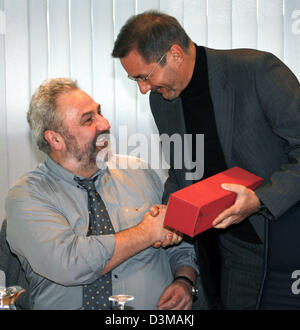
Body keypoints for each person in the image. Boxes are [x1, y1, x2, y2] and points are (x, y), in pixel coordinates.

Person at [112, 10, 300, 309]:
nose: (143, 88)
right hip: (222, 250)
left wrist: (260, 199)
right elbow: (181, 171)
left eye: (144, 76)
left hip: (283, 238)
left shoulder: (256, 70)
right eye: (134, 79)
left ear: (174, 54)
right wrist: (169, 214)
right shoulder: (162, 101)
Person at [5, 78, 198, 310]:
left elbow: (181, 244)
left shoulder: (140, 172)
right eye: (88, 120)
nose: (105, 123)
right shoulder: (26, 196)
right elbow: (72, 264)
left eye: (100, 113)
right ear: (55, 139)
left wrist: (184, 281)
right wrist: (146, 232)